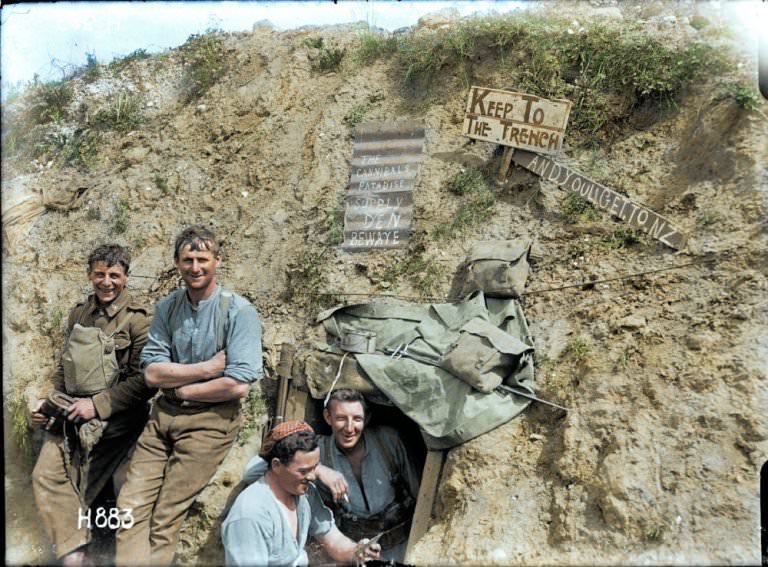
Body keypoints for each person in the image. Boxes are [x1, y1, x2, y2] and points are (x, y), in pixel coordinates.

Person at [115, 225, 263, 566]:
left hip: (210, 423)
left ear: (217, 261)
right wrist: (209, 368)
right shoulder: (168, 307)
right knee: (128, 508)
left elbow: (238, 383)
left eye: (202, 259)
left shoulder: (239, 312)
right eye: (187, 259)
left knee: (165, 516)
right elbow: (152, 372)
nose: (195, 267)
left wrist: (180, 386)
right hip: (163, 417)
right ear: (177, 264)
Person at [31, 244, 155, 567]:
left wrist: (96, 406)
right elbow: (65, 368)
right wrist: (48, 402)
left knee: (90, 488)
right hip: (72, 418)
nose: (106, 282)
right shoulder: (79, 313)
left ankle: (92, 553)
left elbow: (144, 383)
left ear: (126, 278)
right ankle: (75, 554)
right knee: (45, 474)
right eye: (99, 274)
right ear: (89, 275)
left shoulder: (139, 322)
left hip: (116, 424)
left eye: (114, 275)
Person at [221, 421, 381, 566]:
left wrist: (358, 552)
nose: (312, 477)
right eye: (304, 471)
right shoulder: (250, 516)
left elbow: (334, 540)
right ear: (276, 465)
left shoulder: (305, 494)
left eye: (316, 468)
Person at [315, 389, 420, 562]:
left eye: (357, 419)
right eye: (341, 418)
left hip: (403, 545)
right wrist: (318, 469)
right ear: (328, 417)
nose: (349, 428)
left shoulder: (388, 440)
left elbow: (421, 494)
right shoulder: (320, 450)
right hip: (354, 549)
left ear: (366, 419)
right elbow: (272, 459)